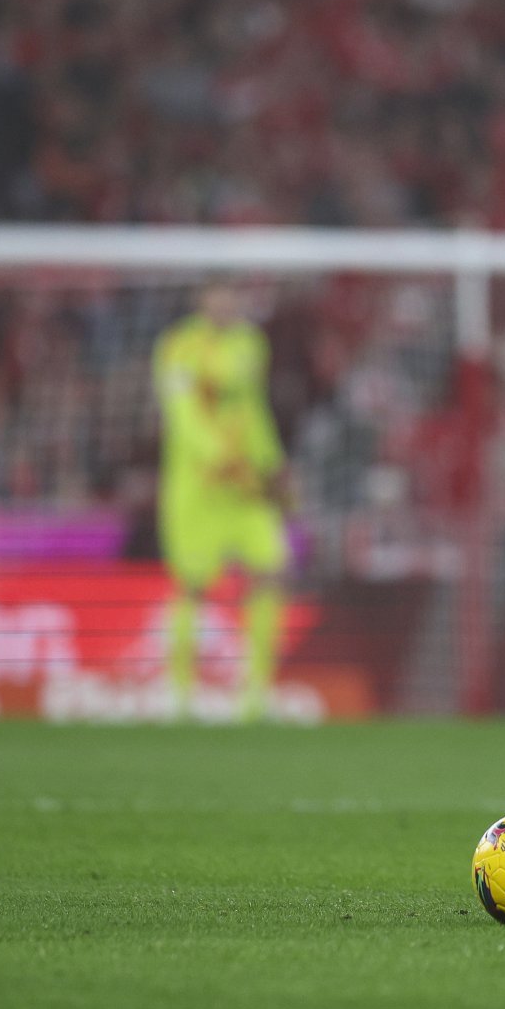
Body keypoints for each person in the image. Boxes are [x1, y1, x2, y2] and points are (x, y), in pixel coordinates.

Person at [153, 280, 289, 722]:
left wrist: (272, 463)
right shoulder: (177, 347)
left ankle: (256, 696)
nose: (225, 303)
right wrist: (218, 456)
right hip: (196, 488)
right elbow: (181, 413)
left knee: (270, 571)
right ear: (201, 299)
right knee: (192, 585)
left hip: (247, 486)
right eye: (217, 294)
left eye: (232, 295)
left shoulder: (251, 343)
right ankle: (180, 694)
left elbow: (252, 407)